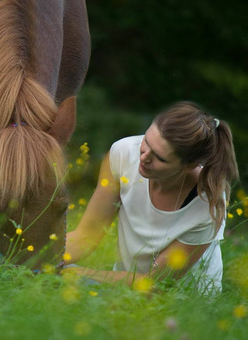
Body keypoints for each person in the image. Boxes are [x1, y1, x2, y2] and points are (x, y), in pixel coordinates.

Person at [65, 101, 239, 293]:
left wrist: (75, 273)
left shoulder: (207, 204)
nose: (143, 157)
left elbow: (153, 285)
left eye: (160, 158)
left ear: (188, 166)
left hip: (183, 303)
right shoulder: (123, 153)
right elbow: (85, 236)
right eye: (146, 141)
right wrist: (36, 258)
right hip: (122, 283)